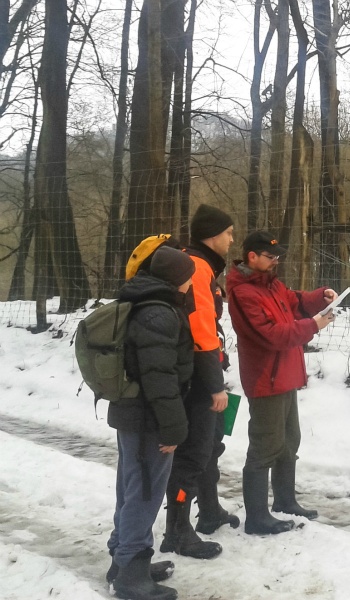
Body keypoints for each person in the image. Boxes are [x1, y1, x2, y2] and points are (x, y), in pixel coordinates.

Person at [226, 231, 337, 535]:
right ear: (252, 256)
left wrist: (321, 296)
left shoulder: (270, 284)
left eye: (277, 257)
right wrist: (314, 325)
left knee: (290, 441)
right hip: (266, 379)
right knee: (265, 447)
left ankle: (285, 501)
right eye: (270, 257)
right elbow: (273, 335)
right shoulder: (244, 293)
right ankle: (258, 516)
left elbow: (295, 301)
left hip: (285, 376)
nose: (276, 262)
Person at [106, 246, 195, 600]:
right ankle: (130, 574)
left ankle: (124, 559)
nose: (193, 281)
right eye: (189, 275)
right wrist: (173, 429)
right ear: (177, 277)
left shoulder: (146, 302)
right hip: (148, 419)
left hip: (134, 414)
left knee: (131, 491)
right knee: (143, 494)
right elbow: (160, 379)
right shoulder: (159, 313)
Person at [160, 204, 238, 560]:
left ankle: (209, 510)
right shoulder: (199, 267)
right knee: (192, 456)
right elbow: (202, 329)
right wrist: (214, 383)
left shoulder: (194, 263)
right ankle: (178, 531)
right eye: (228, 232)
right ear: (212, 235)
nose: (232, 238)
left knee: (208, 446)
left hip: (190, 371)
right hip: (194, 377)